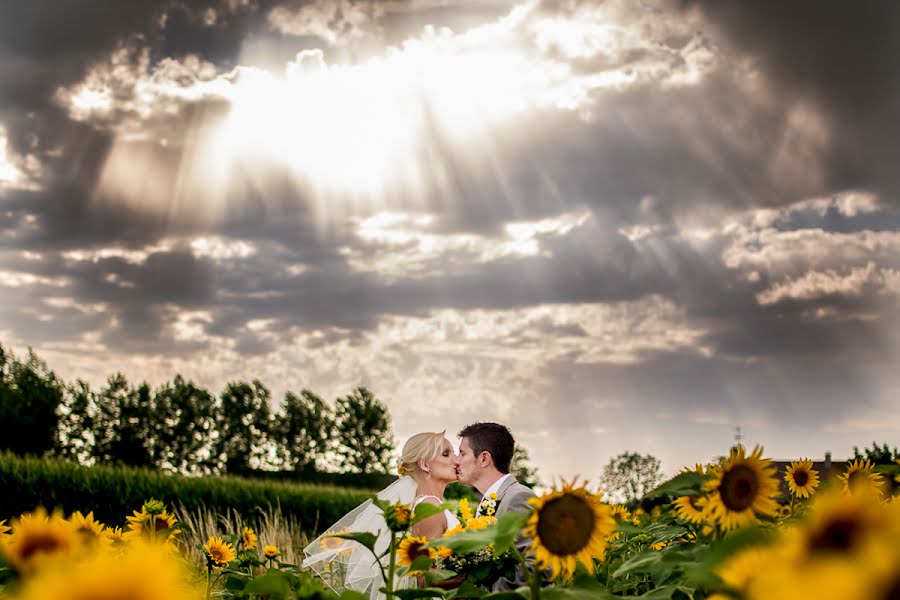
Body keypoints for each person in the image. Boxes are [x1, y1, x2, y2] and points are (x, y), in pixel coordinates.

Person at [303, 432, 459, 599]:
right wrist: (474, 577)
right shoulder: (429, 507)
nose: (456, 460)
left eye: (454, 452)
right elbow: (425, 580)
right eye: (446, 454)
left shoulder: (427, 504)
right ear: (425, 465)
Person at [453, 422, 535, 591]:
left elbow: (536, 567)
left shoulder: (518, 498)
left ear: (484, 459)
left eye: (462, 453)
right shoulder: (486, 503)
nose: (456, 460)